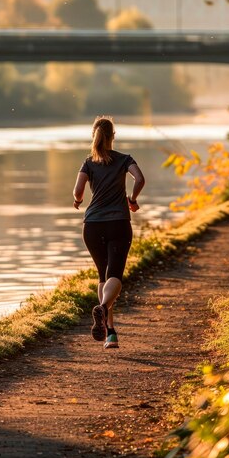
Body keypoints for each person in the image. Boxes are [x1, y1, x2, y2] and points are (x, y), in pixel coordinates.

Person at [73, 116, 145, 349]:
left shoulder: (88, 162)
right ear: (113, 136)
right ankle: (103, 309)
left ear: (93, 135)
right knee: (114, 274)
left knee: (103, 276)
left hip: (92, 225)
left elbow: (77, 191)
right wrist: (132, 199)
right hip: (118, 222)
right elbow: (140, 179)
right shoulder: (125, 159)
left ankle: (110, 333)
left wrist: (78, 200)